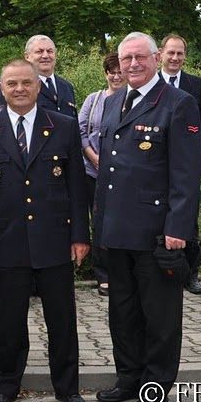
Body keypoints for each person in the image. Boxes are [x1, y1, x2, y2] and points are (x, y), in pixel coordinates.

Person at [0, 59, 90, 402]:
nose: (19, 89)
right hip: (6, 240)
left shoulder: (64, 127)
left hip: (54, 239)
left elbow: (76, 188)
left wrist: (80, 235)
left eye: (26, 83)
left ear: (38, 86)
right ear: (1, 88)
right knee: (8, 321)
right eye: (12, 84)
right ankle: (6, 385)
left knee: (62, 319)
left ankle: (67, 387)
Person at [93, 32, 201, 402]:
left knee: (160, 315)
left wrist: (178, 230)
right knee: (122, 311)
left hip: (157, 232)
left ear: (156, 58)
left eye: (140, 57)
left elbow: (187, 176)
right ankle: (128, 378)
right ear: (118, 64)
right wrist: (99, 227)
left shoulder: (178, 104)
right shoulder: (113, 102)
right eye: (126, 59)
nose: (133, 64)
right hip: (116, 230)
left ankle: (154, 386)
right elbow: (108, 171)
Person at [158, 34, 201, 295]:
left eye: (180, 53)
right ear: (160, 53)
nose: (175, 58)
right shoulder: (149, 82)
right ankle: (161, 270)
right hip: (154, 166)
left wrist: (185, 149)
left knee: (188, 221)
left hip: (187, 166)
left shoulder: (196, 84)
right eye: (171, 53)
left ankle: (190, 274)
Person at [77, 53, 124, 297]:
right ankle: (102, 274)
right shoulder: (93, 100)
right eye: (111, 71)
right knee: (98, 223)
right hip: (92, 171)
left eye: (119, 71)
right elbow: (81, 131)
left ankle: (121, 273)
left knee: (119, 222)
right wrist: (94, 157)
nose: (116, 76)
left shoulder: (132, 100)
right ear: (105, 73)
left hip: (121, 175)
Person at [19, 35, 77, 118]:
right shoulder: (21, 88)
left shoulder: (67, 86)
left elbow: (74, 125)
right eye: (39, 51)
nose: (45, 56)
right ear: (27, 57)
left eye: (50, 51)